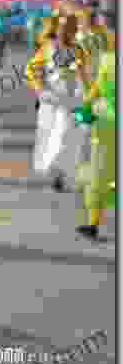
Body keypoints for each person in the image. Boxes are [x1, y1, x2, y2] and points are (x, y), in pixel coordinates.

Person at [25, 7, 91, 193]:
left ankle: (65, 174)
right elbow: (30, 72)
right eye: (62, 28)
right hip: (53, 102)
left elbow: (84, 75)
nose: (65, 32)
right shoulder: (48, 49)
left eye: (69, 28)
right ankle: (57, 174)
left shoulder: (78, 50)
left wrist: (90, 96)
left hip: (74, 100)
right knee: (56, 137)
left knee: (74, 138)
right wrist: (40, 90)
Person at [75, 41, 115, 240]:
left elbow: (96, 89)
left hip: (107, 122)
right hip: (106, 122)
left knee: (98, 175)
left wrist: (85, 108)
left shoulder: (108, 60)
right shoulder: (108, 58)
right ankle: (92, 223)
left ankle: (93, 224)